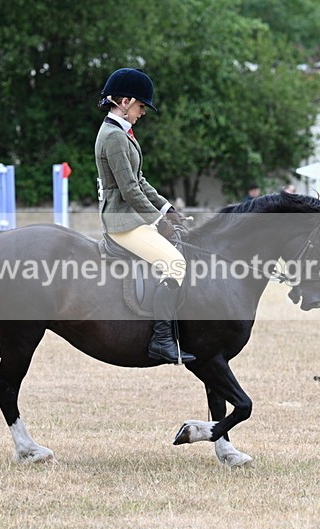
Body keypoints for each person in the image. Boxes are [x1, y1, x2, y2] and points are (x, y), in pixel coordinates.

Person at [94, 67, 195, 365]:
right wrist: (158, 222)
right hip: (122, 222)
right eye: (140, 106)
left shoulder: (121, 134)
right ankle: (161, 340)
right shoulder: (113, 137)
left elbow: (140, 181)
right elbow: (128, 190)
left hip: (132, 218)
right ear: (125, 102)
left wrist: (168, 210)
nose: (142, 112)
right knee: (175, 263)